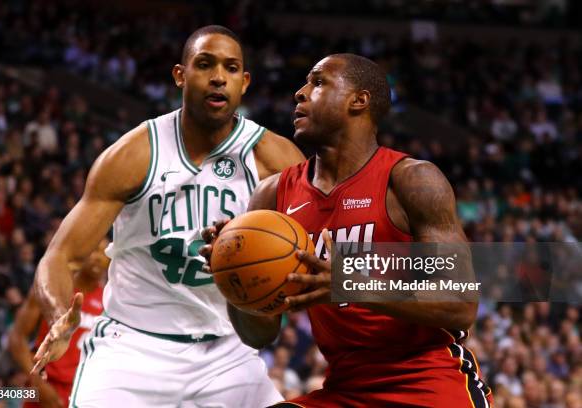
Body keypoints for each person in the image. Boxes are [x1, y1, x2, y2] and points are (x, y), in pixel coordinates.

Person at [30, 25, 305, 407]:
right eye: (205, 64)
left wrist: (410, 278)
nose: (217, 78)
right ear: (180, 75)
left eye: (230, 68)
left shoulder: (275, 159)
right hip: (133, 349)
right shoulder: (134, 154)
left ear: (244, 83)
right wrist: (60, 316)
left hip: (227, 350)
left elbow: (323, 253)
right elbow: (60, 257)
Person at [201, 54, 492, 407]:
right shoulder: (274, 193)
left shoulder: (411, 180)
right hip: (347, 389)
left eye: (318, 82)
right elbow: (260, 334)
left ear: (359, 100)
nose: (300, 93)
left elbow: (460, 304)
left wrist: (349, 281)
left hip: (428, 383)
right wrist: (234, 278)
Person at [8, 238, 109, 408]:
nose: (98, 257)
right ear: (83, 252)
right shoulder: (51, 288)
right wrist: (38, 384)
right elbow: (17, 339)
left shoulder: (110, 302)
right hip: (46, 384)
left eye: (104, 252)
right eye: (94, 249)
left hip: (83, 390)